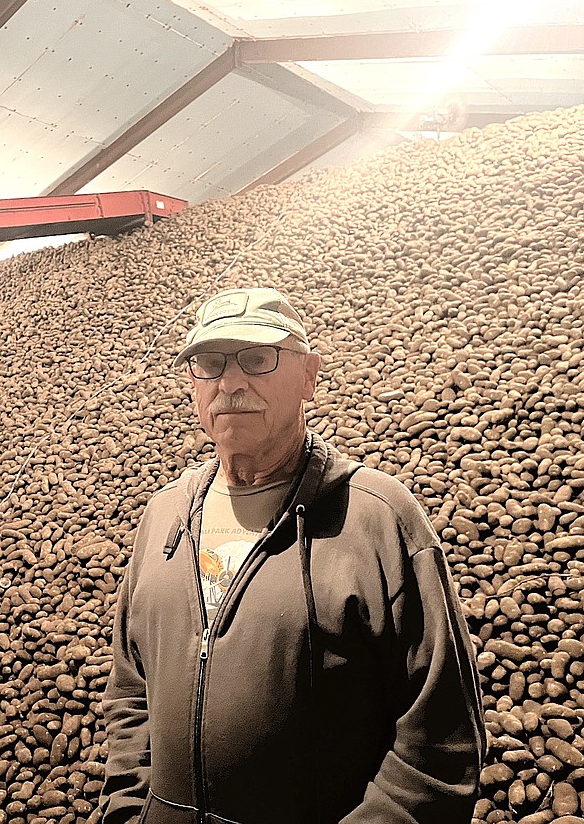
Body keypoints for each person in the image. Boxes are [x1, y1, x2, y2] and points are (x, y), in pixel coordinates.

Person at [98, 287, 485, 823]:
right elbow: (130, 686)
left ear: (309, 377)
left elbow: (438, 743)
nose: (230, 382)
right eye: (210, 363)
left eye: (257, 358)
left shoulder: (378, 519)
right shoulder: (163, 517)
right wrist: (130, 809)